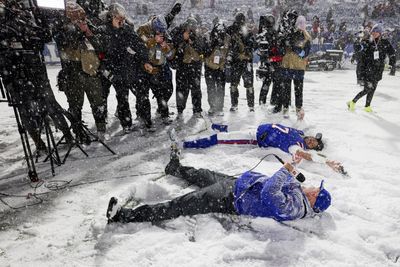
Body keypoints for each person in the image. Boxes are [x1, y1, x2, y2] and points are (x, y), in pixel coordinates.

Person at [106, 150, 331, 224]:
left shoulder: (294, 209)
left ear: (314, 201)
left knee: (182, 204)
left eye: (316, 191)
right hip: (240, 184)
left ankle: (124, 216)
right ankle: (175, 169)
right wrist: (294, 163)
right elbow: (288, 180)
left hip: (231, 198)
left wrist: (287, 169)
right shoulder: (299, 195)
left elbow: (270, 191)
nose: (312, 188)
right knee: (204, 175)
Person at [1, 0, 73, 152]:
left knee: (50, 104)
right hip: (14, 74)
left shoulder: (27, 14)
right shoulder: (5, 19)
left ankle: (68, 136)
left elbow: (44, 36)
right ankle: (39, 144)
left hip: (35, 69)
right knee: (25, 111)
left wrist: (36, 28)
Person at [183, 123, 343, 172]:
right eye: (314, 139)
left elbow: (304, 155)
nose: (311, 141)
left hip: (256, 138)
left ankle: (188, 144)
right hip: (257, 128)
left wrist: (327, 161)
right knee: (234, 127)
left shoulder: (297, 146)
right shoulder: (300, 132)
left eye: (313, 145)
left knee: (222, 139)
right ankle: (222, 127)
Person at [94, 3, 154, 132]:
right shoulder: (102, 31)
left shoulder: (127, 29)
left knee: (142, 94)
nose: (120, 21)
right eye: (117, 18)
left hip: (129, 68)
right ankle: (125, 124)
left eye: (122, 18)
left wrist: (144, 60)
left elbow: (140, 46)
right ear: (111, 17)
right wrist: (107, 71)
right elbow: (99, 54)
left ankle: (147, 120)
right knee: (121, 98)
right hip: (112, 70)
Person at [54, 1, 107, 141]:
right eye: (76, 15)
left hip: (91, 71)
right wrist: (78, 31)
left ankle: (101, 129)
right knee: (75, 106)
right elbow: (63, 41)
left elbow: (101, 45)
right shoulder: (62, 28)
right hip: (73, 73)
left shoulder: (89, 25)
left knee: (98, 103)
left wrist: (88, 32)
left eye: (81, 15)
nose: (80, 18)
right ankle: (79, 132)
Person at [347, 24, 396, 113]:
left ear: (380, 33)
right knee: (368, 88)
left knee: (373, 88)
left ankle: (367, 106)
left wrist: (392, 63)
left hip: (379, 69)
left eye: (376, 32)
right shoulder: (368, 42)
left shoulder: (385, 42)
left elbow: (392, 53)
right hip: (369, 69)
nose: (373, 33)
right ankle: (352, 102)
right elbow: (361, 53)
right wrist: (357, 51)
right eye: (372, 31)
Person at [170, 16, 206, 118]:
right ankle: (180, 109)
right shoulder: (177, 31)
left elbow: (203, 48)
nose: (191, 29)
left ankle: (197, 109)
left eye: (192, 28)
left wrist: (193, 42)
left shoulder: (198, 34)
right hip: (182, 65)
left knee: (196, 88)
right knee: (181, 89)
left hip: (195, 65)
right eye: (189, 27)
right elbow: (171, 41)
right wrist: (182, 38)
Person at [279, 15, 311, 120]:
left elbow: (305, 53)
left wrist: (296, 49)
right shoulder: (289, 34)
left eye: (303, 23)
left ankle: (298, 109)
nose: (301, 25)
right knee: (286, 89)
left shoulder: (306, 37)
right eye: (299, 23)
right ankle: (285, 108)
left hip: (298, 67)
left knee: (298, 90)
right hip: (288, 65)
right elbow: (283, 48)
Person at [226, 12, 256, 112]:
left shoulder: (247, 31)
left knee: (248, 85)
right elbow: (228, 46)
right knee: (235, 85)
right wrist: (237, 54)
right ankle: (237, 104)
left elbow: (252, 45)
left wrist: (245, 53)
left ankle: (249, 105)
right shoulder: (231, 30)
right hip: (237, 61)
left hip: (245, 61)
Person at [204, 20, 230, 116]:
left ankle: (219, 107)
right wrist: (213, 44)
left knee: (220, 88)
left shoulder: (228, 38)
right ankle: (212, 106)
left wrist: (226, 62)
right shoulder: (208, 36)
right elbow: (204, 51)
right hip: (209, 66)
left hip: (221, 67)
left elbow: (230, 51)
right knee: (211, 88)